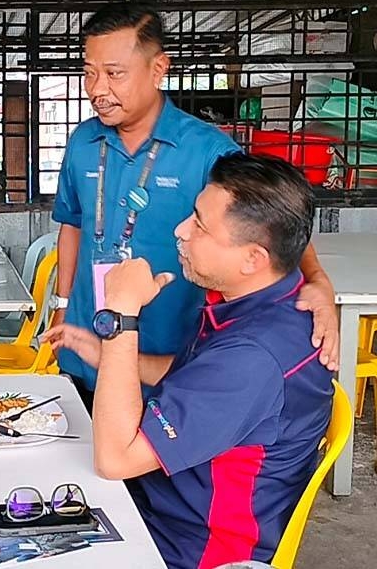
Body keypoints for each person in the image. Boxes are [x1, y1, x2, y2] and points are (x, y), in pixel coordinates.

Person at [46, 154, 333, 569]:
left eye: (200, 225)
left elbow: (115, 460)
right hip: (159, 506)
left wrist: (123, 317)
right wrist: (105, 354)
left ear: (253, 258)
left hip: (189, 549)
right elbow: (194, 383)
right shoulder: (263, 301)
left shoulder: (254, 358)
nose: (181, 231)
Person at [50, 1, 338, 407]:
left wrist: (319, 281)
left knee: (145, 465)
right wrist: (61, 305)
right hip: (86, 341)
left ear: (157, 69)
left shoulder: (207, 150)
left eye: (114, 74)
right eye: (89, 72)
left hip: (169, 357)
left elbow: (274, 219)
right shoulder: (83, 141)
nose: (97, 89)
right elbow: (73, 225)